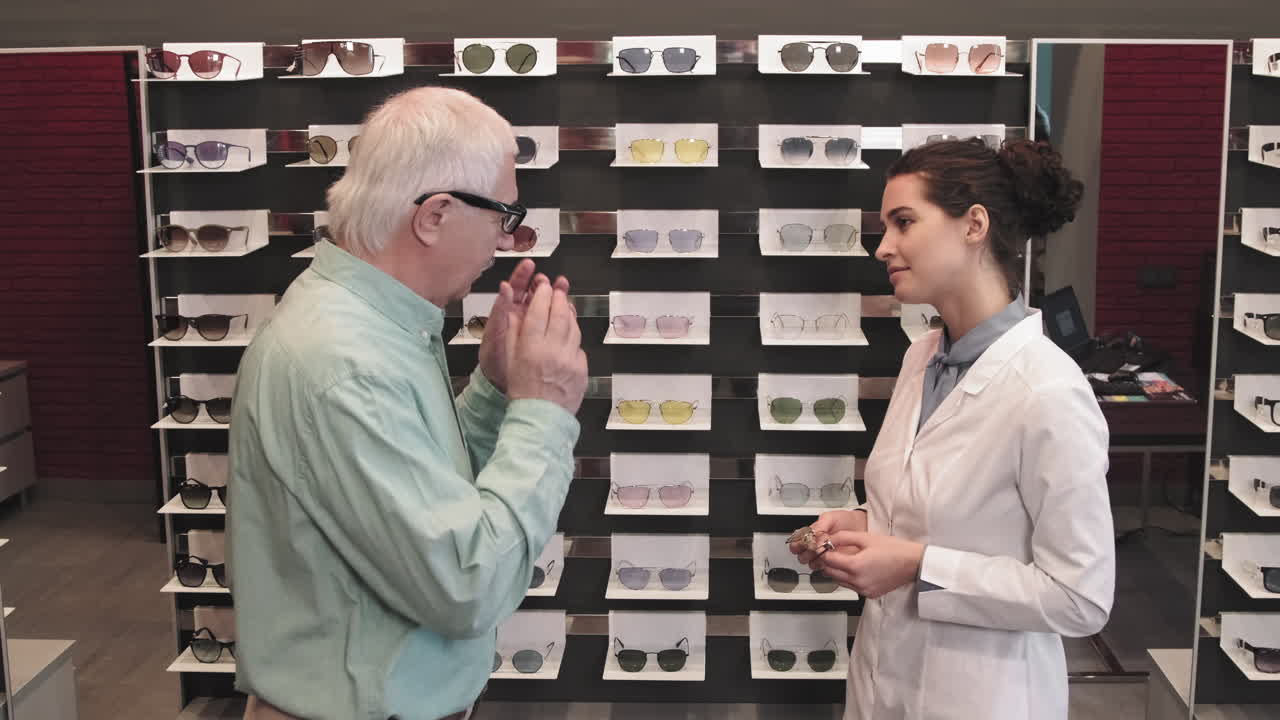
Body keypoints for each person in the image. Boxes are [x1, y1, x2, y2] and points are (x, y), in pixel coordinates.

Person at [227, 87, 588, 720]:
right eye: (505, 213)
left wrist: (495, 391)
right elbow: (469, 583)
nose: (506, 241)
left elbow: (423, 503)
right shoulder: (345, 361)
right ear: (435, 215)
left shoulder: (373, 327)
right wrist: (545, 410)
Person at [791, 138, 1115, 720]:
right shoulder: (922, 357)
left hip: (985, 698)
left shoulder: (1048, 391)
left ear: (974, 225)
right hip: (882, 682)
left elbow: (1080, 599)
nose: (883, 247)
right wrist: (865, 525)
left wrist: (918, 566)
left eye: (904, 222)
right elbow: (936, 511)